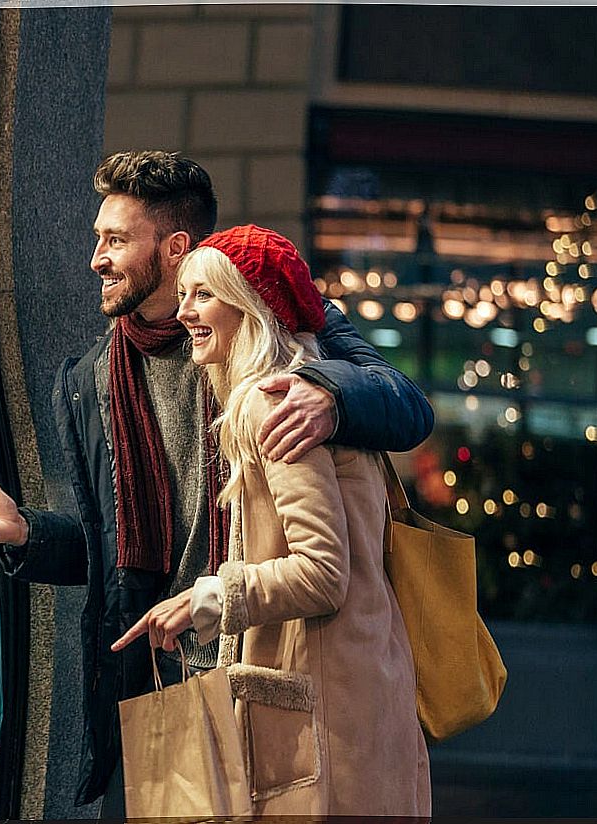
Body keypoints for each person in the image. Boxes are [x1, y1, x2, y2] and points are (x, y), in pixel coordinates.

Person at [0, 151, 433, 814]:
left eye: (115, 240)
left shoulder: (273, 337)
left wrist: (328, 394)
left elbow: (408, 406)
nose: (97, 259)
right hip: (166, 677)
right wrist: (27, 533)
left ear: (176, 247)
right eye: (97, 239)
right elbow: (117, 552)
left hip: (271, 668)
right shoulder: (90, 382)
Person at [111, 224, 429, 816]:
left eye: (203, 294)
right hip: (356, 690)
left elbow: (321, 573)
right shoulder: (298, 389)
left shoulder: (272, 400)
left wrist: (208, 598)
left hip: (324, 712)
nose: (184, 313)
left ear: (249, 305)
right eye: (184, 294)